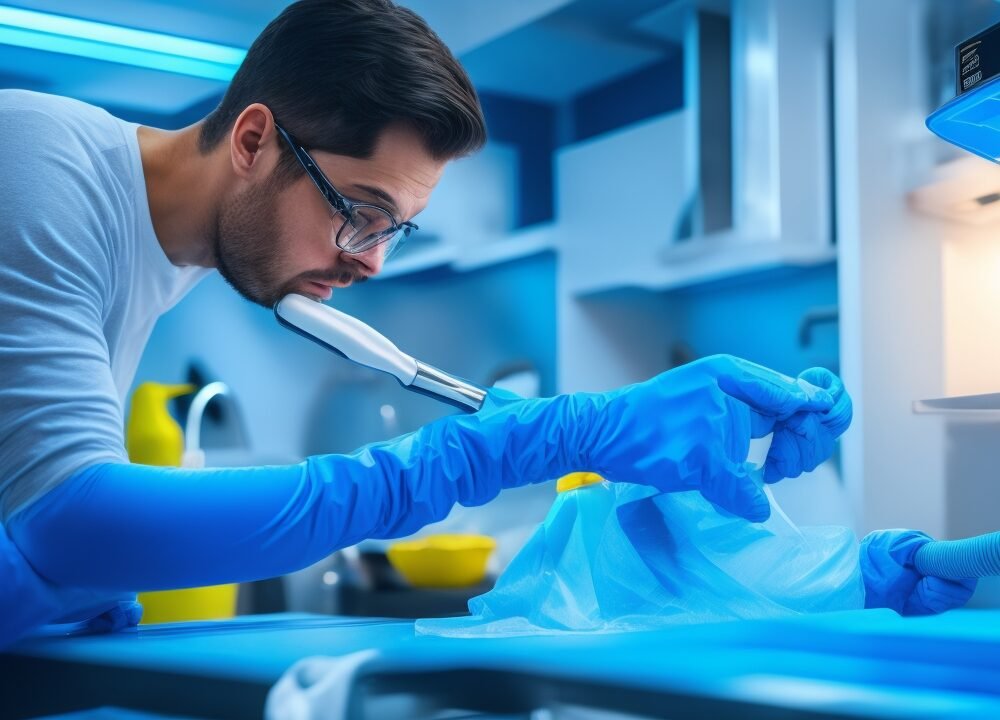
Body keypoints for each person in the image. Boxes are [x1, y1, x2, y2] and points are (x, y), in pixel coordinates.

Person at [0, 0, 894, 648]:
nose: (371, 259)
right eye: (359, 209)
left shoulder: (165, 255)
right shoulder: (39, 167)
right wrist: (469, 459)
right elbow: (73, 521)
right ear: (252, 141)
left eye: (395, 228)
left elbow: (58, 534)